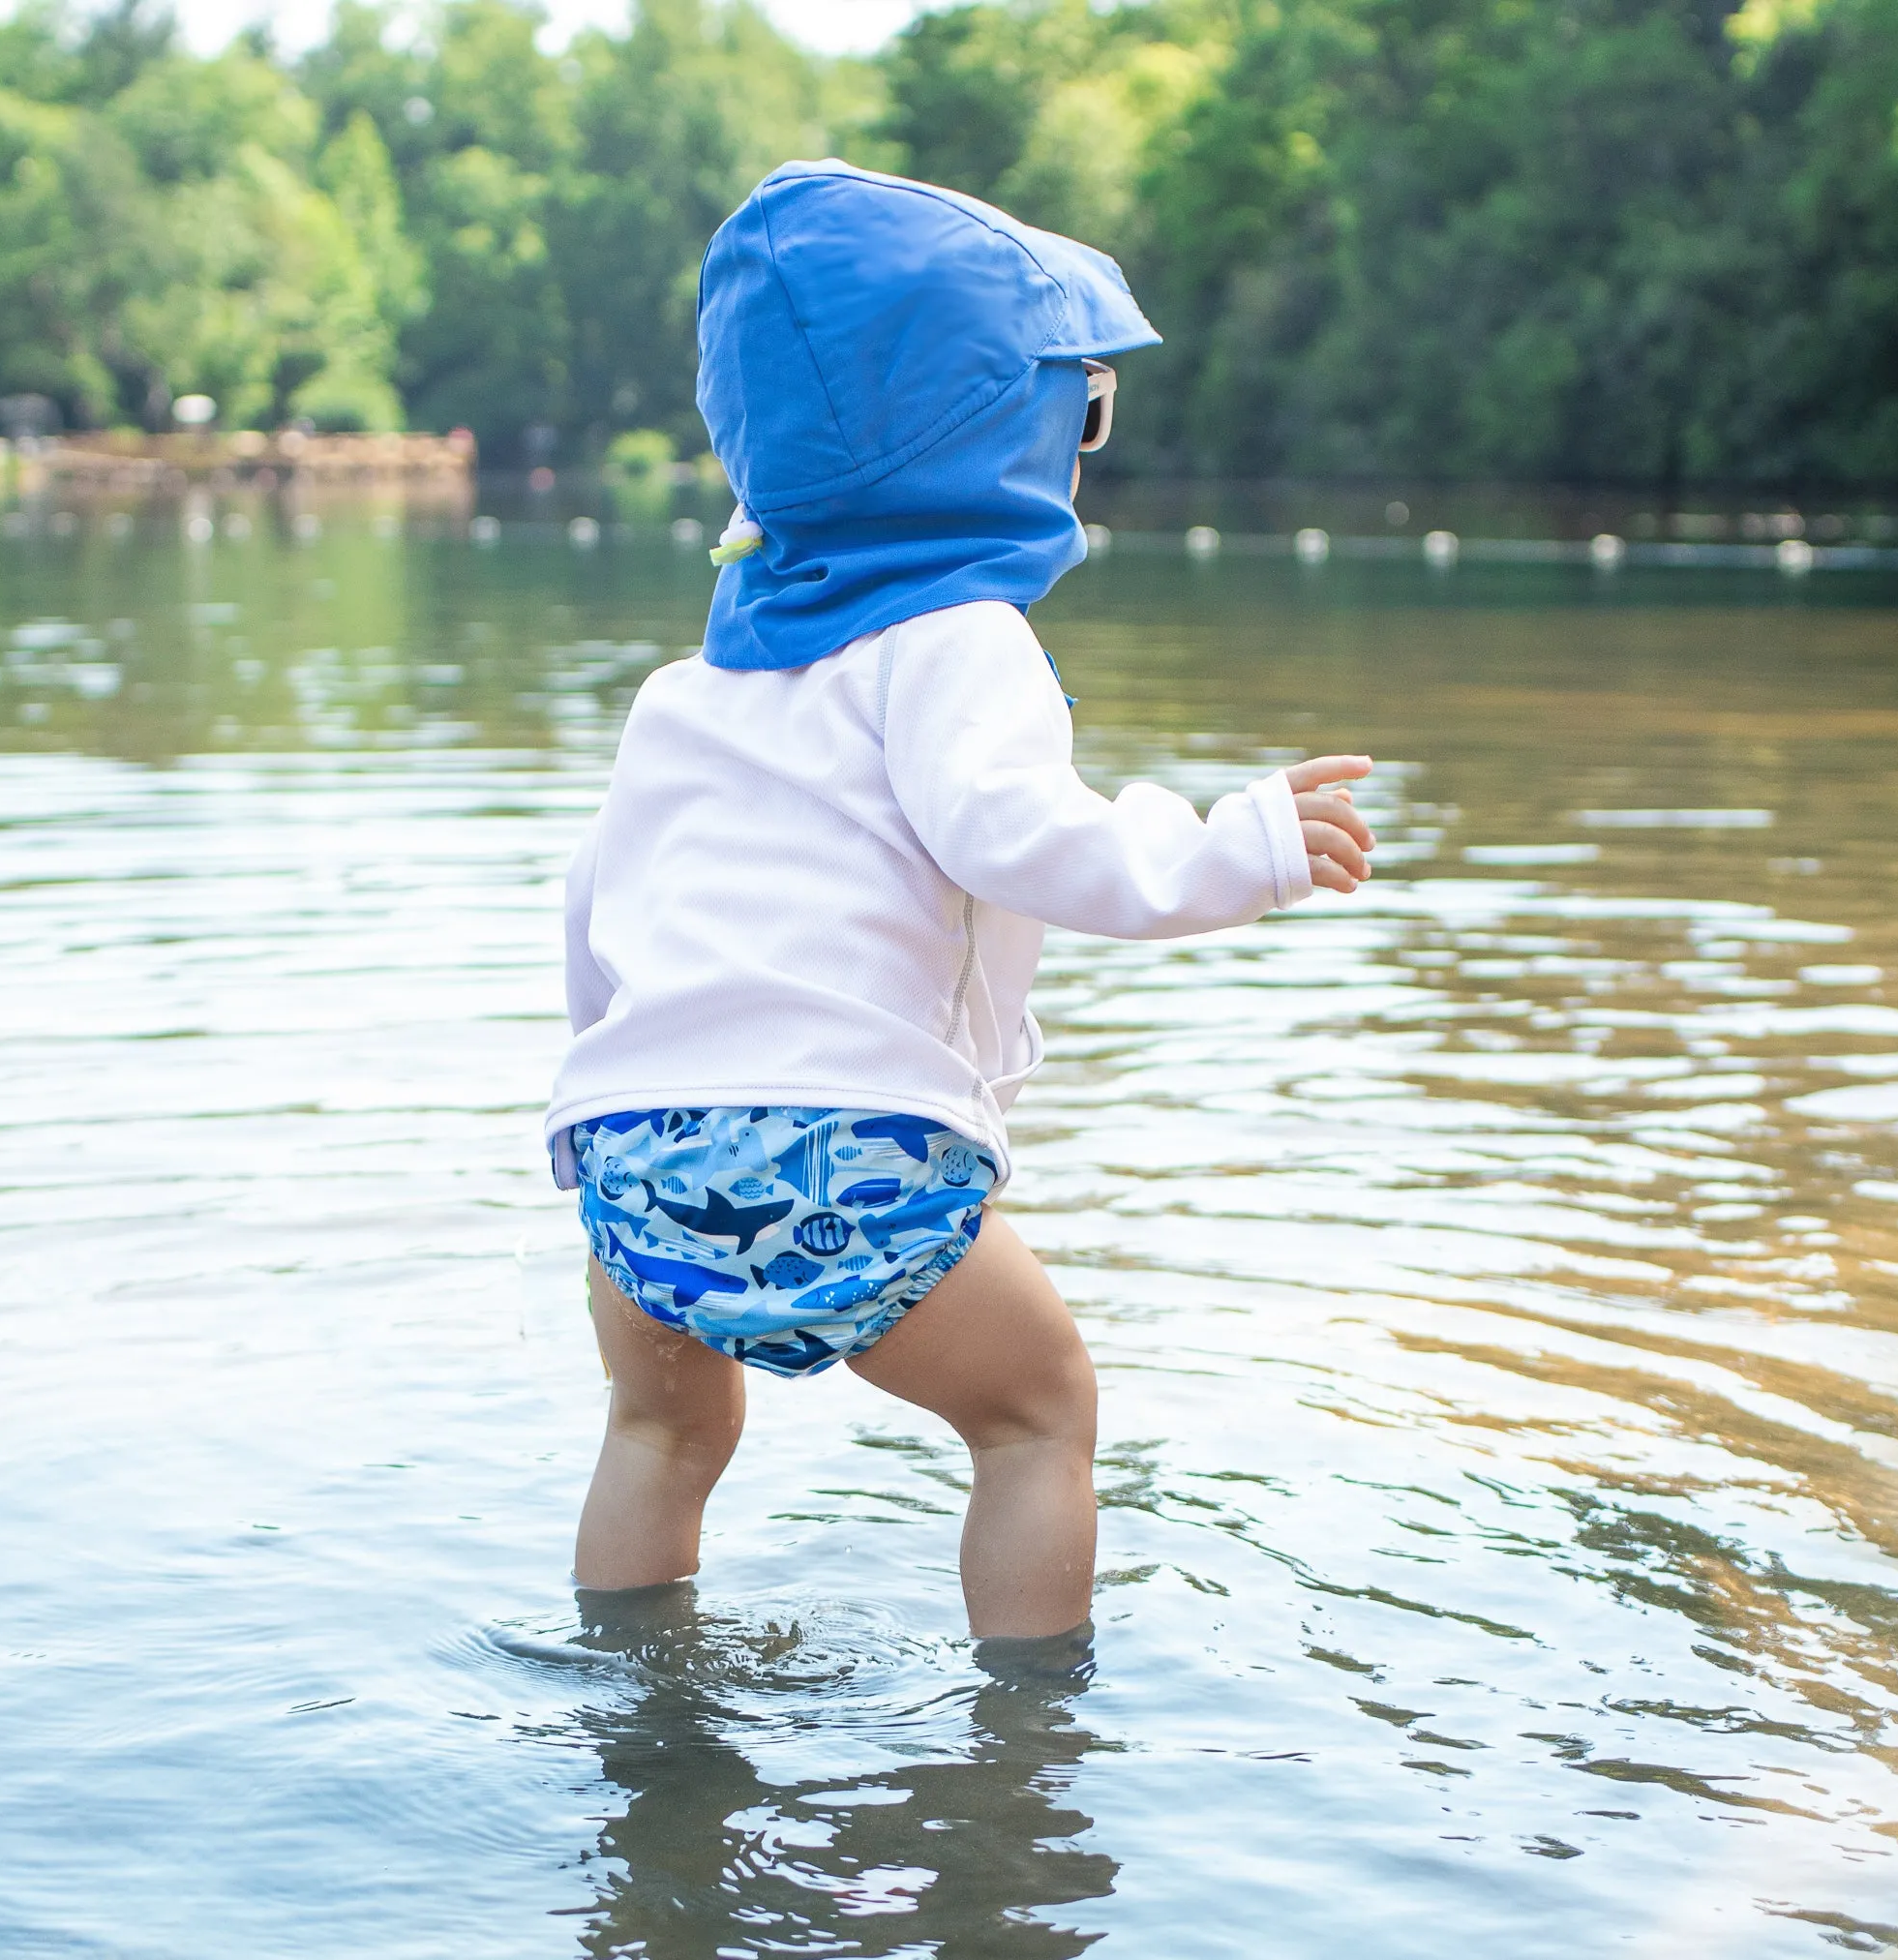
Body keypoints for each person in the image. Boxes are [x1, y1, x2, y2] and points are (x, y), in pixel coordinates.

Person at [546, 160, 1374, 1643]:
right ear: (1001, 433)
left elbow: (594, 906)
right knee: (1038, 1418)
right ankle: (1025, 1764)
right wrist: (1234, 849)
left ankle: (636, 1722)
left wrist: (620, 1113)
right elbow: (1020, 837)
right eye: (1083, 412)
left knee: (660, 1436)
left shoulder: (685, 690)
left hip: (632, 1160)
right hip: (844, 1157)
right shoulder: (954, 635)